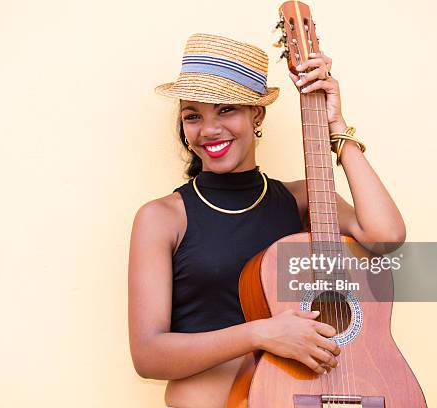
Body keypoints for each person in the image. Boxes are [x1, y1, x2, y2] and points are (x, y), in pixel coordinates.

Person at [128, 33, 406, 408]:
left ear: (256, 114)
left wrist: (336, 126)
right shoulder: (161, 218)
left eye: (226, 109)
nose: (208, 130)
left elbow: (386, 236)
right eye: (193, 115)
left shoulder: (304, 199)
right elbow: (148, 355)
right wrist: (262, 333)